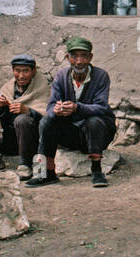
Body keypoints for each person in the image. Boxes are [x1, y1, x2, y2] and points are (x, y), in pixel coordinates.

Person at [25, 36, 117, 188]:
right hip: (72, 134)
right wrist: (57, 110)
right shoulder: (61, 76)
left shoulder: (100, 76)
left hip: (98, 134)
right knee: (46, 120)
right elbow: (51, 105)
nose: (79, 61)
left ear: (90, 57)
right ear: (68, 58)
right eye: (74, 56)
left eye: (84, 56)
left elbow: (101, 107)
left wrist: (76, 107)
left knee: (93, 121)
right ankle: (43, 173)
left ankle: (97, 171)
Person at [0, 54, 50, 179]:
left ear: (33, 71)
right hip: (11, 141)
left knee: (22, 119)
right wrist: (0, 106)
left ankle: (25, 164)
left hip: (32, 141)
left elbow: (47, 116)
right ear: (13, 71)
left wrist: (28, 110)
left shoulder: (42, 86)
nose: (21, 76)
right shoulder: (8, 87)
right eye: (17, 71)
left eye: (25, 71)